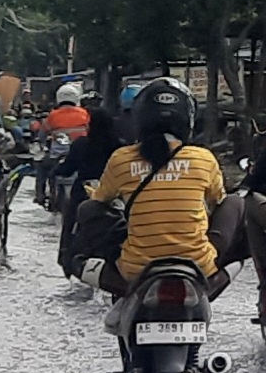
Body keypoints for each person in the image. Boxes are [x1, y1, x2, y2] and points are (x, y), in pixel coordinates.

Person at [86, 76, 240, 298]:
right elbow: (218, 202)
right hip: (199, 266)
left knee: (87, 209)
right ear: (187, 119)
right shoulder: (203, 158)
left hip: (135, 270)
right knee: (235, 202)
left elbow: (98, 202)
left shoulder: (121, 159)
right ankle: (224, 266)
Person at [57, 103, 121, 276]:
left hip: (84, 190)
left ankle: (65, 255)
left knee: (69, 221)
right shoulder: (120, 147)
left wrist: (58, 169)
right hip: (114, 194)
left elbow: (68, 168)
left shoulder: (81, 144)